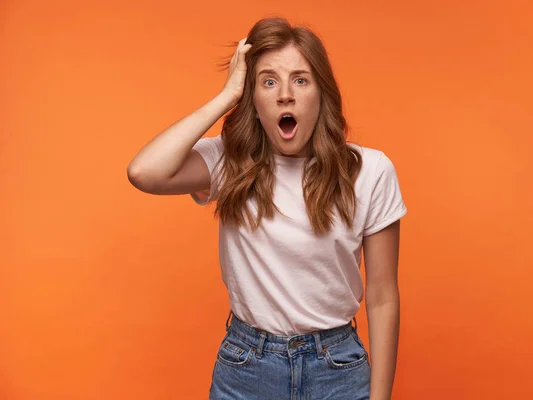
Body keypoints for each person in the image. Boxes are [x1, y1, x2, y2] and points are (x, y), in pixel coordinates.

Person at [127, 17, 407, 400]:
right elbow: (144, 172)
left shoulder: (371, 171)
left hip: (337, 370)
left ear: (321, 93)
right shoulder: (230, 162)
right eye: (269, 81)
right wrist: (227, 96)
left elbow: (382, 297)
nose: (285, 95)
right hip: (246, 368)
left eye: (301, 79)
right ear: (253, 99)